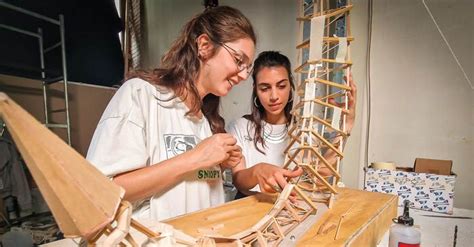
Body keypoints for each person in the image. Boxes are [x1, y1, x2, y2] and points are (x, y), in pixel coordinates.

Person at [86, 6, 256, 221]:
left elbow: (188, 184)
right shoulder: (140, 95)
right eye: (238, 60)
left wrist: (217, 167)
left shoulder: (205, 122)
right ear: (204, 46)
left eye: (247, 68)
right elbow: (102, 192)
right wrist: (195, 157)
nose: (242, 75)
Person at [227, 51, 356, 197]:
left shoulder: (305, 130)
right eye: (265, 88)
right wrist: (258, 171)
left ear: (291, 86)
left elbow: (319, 179)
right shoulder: (240, 127)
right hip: (251, 210)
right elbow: (238, 180)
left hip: (292, 211)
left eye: (281, 86)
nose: (274, 96)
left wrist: (346, 126)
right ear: (255, 90)